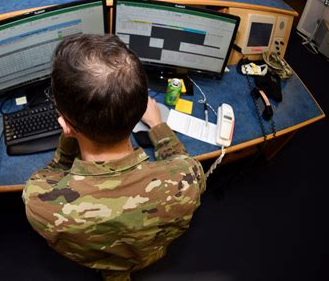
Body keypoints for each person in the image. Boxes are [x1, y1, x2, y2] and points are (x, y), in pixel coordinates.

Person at [22, 34, 206, 280]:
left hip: (95, 260)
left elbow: (51, 174)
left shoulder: (39, 201)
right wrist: (157, 125)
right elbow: (179, 161)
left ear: (66, 124)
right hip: (148, 255)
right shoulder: (188, 179)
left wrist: (69, 138)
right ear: (141, 108)